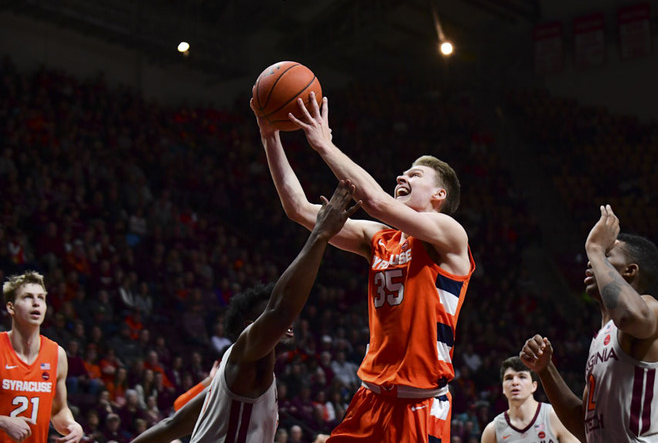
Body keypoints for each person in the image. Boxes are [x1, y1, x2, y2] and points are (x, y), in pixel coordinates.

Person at [253, 92, 475, 442]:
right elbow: (298, 209)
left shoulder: (449, 234)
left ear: (439, 196)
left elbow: (375, 201)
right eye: (403, 172)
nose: (403, 176)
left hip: (420, 406)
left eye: (415, 175)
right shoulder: (379, 238)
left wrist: (324, 146)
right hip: (370, 399)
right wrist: (270, 136)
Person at [129, 180, 357, 443]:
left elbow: (173, 423)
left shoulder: (230, 378)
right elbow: (281, 309)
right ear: (250, 326)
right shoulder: (246, 355)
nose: (289, 324)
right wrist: (320, 234)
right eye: (269, 319)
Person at [521, 205, 658, 442]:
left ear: (630, 271)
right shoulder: (601, 337)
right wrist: (545, 369)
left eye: (607, 255)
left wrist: (595, 247)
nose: (592, 262)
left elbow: (629, 316)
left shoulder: (650, 307)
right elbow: (585, 427)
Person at [0, 271, 84, 443]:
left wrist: (72, 425)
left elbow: (58, 410)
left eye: (41, 298)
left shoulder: (57, 354)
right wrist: (3, 421)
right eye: (28, 297)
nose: (36, 303)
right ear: (11, 307)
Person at [480, 357, 579, 443]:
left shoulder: (555, 416)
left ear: (534, 386)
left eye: (522, 377)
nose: (515, 382)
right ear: (503, 388)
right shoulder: (493, 430)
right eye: (509, 378)